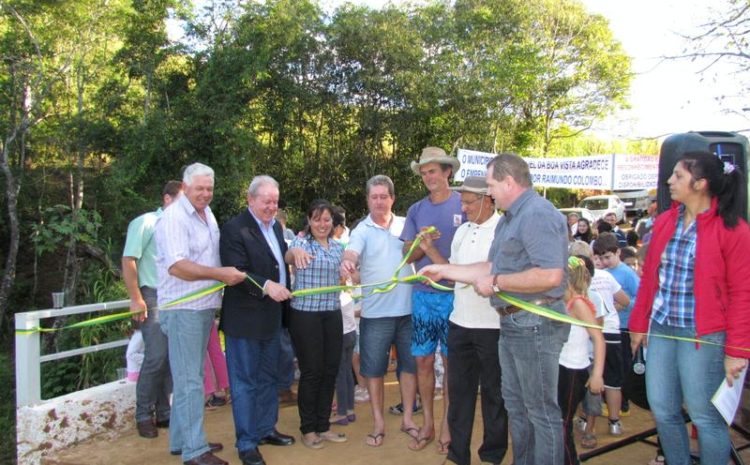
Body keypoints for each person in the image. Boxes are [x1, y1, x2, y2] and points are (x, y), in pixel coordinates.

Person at [420, 153, 570, 465]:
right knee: (516, 405)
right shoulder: (513, 218)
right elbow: (489, 267)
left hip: (535, 323)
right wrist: (445, 271)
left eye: (491, 185)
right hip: (514, 325)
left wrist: (498, 283)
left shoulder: (537, 214)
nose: (490, 191)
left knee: (540, 412)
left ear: (509, 182)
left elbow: (551, 275)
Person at [630, 151, 750, 465]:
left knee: (704, 415)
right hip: (662, 328)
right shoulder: (666, 220)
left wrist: (737, 349)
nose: (669, 181)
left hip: (703, 335)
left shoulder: (733, 229)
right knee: (663, 410)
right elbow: (649, 278)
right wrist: (639, 324)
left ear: (701, 183)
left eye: (678, 176)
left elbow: (742, 293)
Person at [155, 164, 247, 465]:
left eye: (209, 188)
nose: (205, 194)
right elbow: (177, 266)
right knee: (190, 381)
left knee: (191, 377)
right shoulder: (174, 218)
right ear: (185, 186)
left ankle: (183, 440)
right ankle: (194, 452)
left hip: (203, 308)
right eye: (199, 189)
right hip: (183, 310)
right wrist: (219, 274)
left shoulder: (206, 214)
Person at [219, 175, 296, 465]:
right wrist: (266, 285)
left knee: (268, 379)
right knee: (244, 383)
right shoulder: (234, 229)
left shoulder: (275, 226)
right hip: (244, 321)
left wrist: (292, 254)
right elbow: (235, 271)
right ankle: (247, 443)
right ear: (250, 200)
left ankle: (266, 429)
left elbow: (276, 261)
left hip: (272, 318)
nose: (271, 206)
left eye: (275, 201)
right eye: (266, 201)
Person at [340, 174, 419, 448]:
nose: (379, 202)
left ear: (392, 199)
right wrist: (347, 264)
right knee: (374, 371)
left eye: (383, 196)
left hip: (409, 312)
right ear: (367, 200)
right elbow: (351, 253)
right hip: (375, 315)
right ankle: (378, 423)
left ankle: (408, 418)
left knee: (409, 367)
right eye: (374, 197)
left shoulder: (406, 224)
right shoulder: (361, 229)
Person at [400, 146, 463, 453]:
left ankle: (449, 426)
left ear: (447, 171)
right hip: (423, 296)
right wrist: (423, 245)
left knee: (452, 364)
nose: (427, 177)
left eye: (433, 171)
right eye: (423, 173)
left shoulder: (466, 204)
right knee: (423, 361)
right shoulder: (415, 210)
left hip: (457, 297)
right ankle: (428, 422)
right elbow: (408, 256)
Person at [443, 176, 508, 465]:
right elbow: (455, 271)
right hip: (460, 324)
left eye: (469, 201)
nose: (464, 207)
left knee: (495, 394)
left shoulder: (504, 230)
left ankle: (492, 455)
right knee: (459, 394)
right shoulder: (461, 232)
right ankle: (458, 454)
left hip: (493, 326)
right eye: (463, 201)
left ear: (488, 199)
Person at [284, 200, 348, 449]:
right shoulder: (301, 242)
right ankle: (308, 428)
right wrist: (294, 254)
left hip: (331, 313)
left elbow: (348, 275)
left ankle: (323, 425)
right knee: (312, 372)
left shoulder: (338, 247)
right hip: (305, 316)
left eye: (327, 219)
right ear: (309, 221)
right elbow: (290, 254)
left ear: (333, 222)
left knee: (330, 369)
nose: (322, 224)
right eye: (317, 219)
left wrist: (350, 272)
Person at [123, 180, 181, 439]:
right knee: (156, 355)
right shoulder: (146, 222)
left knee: (169, 357)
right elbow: (128, 259)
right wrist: (136, 298)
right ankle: (143, 415)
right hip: (153, 294)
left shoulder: (180, 228)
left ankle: (164, 412)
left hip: (176, 296)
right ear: (167, 199)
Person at [558, 255, 605, 465]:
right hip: (562, 367)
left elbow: (598, 338)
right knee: (558, 422)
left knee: (563, 424)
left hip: (573, 370)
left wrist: (597, 375)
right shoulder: (566, 302)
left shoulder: (578, 304)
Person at [594, 232, 640, 419]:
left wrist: (626, 303)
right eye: (601, 258)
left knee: (622, 366)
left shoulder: (626, 273)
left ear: (618, 252)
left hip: (624, 326)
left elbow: (640, 297)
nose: (604, 262)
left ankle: (624, 401)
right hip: (607, 327)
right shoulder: (602, 273)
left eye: (608, 257)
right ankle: (611, 400)